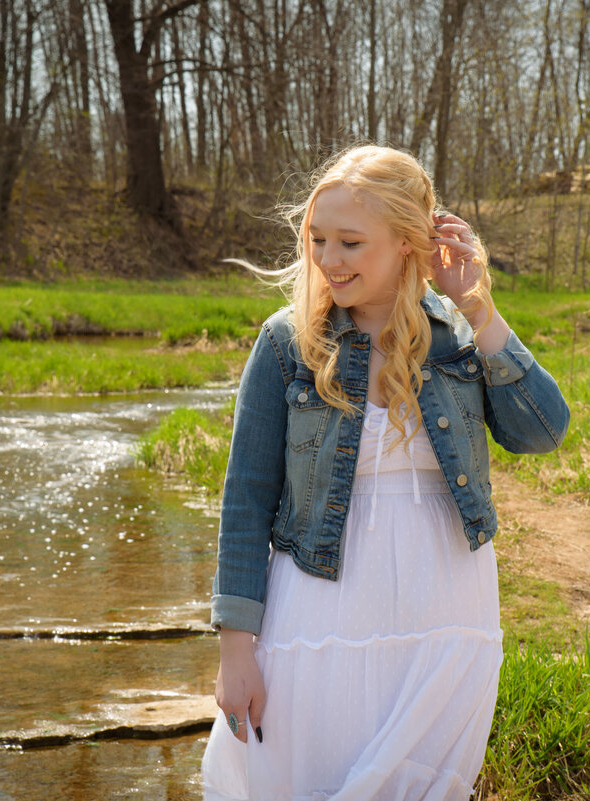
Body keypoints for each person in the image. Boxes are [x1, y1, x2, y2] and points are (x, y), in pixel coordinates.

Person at [201, 144, 569, 801]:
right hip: (321, 606)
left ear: (406, 242)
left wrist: (482, 310)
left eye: (349, 241)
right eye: (318, 239)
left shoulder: (458, 337)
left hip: (446, 611)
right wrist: (236, 649)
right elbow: (246, 499)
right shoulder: (287, 343)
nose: (327, 259)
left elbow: (542, 429)